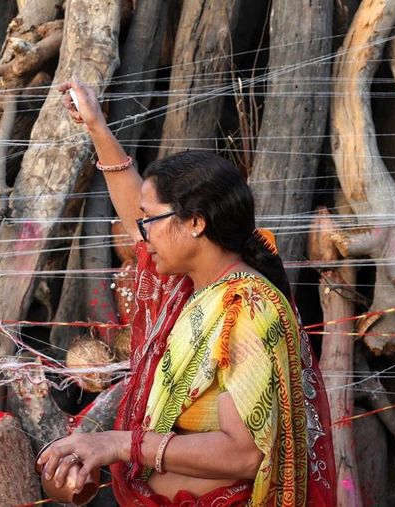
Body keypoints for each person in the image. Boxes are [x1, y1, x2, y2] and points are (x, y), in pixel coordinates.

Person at [36, 80, 336, 506]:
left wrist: (120, 445)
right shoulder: (190, 292)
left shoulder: (246, 309)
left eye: (152, 220)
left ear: (195, 222)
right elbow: (134, 216)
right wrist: (98, 129)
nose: (142, 235)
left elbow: (245, 454)